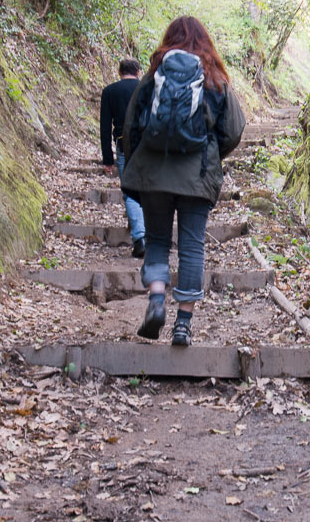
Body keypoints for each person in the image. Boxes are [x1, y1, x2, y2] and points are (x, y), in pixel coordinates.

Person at [121, 17, 245, 346]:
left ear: (169, 39)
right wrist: (211, 153)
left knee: (158, 240)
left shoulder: (154, 75)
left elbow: (132, 123)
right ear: (205, 42)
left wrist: (136, 160)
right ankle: (183, 325)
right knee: (192, 246)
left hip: (154, 172)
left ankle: (157, 302)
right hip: (197, 176)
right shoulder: (215, 78)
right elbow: (233, 130)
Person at [100, 58, 146, 258]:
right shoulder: (146, 89)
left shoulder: (110, 91)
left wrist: (107, 158)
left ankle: (140, 237)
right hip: (147, 146)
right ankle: (146, 233)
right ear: (138, 71)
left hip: (123, 146)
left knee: (130, 192)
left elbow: (104, 127)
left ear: (119, 72)